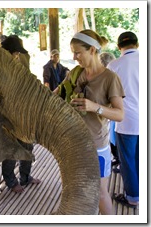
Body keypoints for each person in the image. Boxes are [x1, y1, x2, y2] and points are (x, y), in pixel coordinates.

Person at [54, 29, 125, 215]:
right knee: (75, 189)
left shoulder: (110, 78)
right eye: (73, 52)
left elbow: (119, 114)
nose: (74, 57)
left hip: (96, 146)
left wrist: (95, 107)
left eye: (78, 52)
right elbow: (57, 94)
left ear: (92, 50)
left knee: (100, 193)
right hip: (73, 142)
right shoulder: (76, 73)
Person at [0, 35, 41, 193]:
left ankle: (26, 176)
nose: (17, 56)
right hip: (8, 115)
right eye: (15, 53)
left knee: (27, 145)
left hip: (24, 112)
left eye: (18, 54)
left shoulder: (19, 62)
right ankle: (11, 181)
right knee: (11, 149)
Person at [107, 31, 139, 208]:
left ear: (119, 47)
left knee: (128, 161)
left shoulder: (114, 65)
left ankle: (133, 197)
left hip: (126, 120)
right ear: (137, 44)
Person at [99, 52, 120, 169]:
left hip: (114, 113)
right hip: (110, 115)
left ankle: (118, 159)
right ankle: (117, 159)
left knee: (114, 138)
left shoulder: (111, 75)